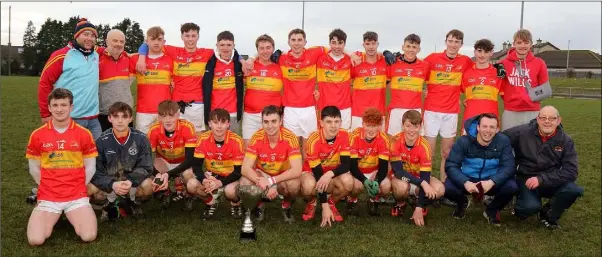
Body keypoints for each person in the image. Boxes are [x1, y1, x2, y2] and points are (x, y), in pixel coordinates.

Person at [25, 88, 98, 246]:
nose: (59, 109)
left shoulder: (84, 134)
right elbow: (34, 168)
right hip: (49, 196)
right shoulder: (37, 135)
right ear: (49, 108)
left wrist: (77, 187)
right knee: (35, 240)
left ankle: (69, 212)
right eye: (55, 105)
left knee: (88, 235)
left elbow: (90, 166)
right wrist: (48, 186)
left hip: (76, 196)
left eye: (64, 105)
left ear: (71, 107)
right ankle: (52, 213)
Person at [503, 106, 583, 229]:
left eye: (552, 118)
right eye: (543, 118)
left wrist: (542, 179)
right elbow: (499, 139)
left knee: (574, 190)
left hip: (551, 179)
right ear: (538, 119)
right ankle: (520, 204)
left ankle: (549, 214)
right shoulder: (522, 132)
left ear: (558, 120)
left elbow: (571, 171)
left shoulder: (566, 140)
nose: (547, 121)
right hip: (526, 178)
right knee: (528, 208)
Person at [422, 29, 473, 206]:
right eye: (450, 41)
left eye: (457, 42)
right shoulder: (431, 59)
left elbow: (477, 72)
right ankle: (425, 187)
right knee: (428, 152)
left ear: (461, 44)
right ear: (446, 42)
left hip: (451, 113)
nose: (453, 44)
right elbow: (416, 71)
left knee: (446, 153)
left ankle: (444, 189)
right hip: (431, 112)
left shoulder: (466, 61)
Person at [136, 22, 215, 133]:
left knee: (196, 138)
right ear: (182, 36)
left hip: (197, 103)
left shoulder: (207, 53)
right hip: (177, 103)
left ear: (198, 36)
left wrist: (241, 59)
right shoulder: (172, 51)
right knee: (177, 137)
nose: (190, 39)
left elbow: (226, 52)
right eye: (187, 36)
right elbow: (147, 43)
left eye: (193, 36)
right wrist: (142, 56)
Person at [445, 113, 517, 226]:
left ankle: (492, 210)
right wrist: (465, 182)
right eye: (484, 126)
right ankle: (462, 203)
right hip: (468, 178)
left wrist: (492, 181)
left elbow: (509, 167)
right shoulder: (463, 141)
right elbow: (451, 165)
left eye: (492, 127)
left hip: (491, 179)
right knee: (448, 188)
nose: (487, 130)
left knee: (511, 187)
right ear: (478, 127)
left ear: (497, 129)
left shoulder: (503, 141)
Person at [88, 102, 154, 221]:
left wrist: (130, 181)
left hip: (131, 182)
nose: (120, 120)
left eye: (124, 116)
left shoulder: (141, 138)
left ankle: (134, 202)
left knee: (149, 185)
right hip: (110, 184)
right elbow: (96, 171)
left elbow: (146, 166)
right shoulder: (101, 141)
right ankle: (109, 203)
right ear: (109, 118)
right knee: (88, 189)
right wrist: (112, 183)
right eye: (116, 116)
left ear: (130, 119)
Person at [38, 18, 102, 139]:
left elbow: (115, 48)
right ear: (77, 35)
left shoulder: (96, 53)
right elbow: (44, 83)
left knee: (96, 156)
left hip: (93, 119)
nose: (90, 38)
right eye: (86, 34)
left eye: (93, 35)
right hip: (70, 118)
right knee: (70, 156)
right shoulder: (61, 55)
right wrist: (46, 114)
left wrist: (142, 52)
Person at [240, 105, 303, 223]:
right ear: (262, 122)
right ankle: (259, 205)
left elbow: (297, 169)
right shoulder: (256, 137)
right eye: (266, 122)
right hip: (262, 174)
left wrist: (271, 181)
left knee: (294, 184)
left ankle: (286, 205)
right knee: (244, 182)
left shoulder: (290, 138)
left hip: (281, 175)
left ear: (281, 121)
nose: (270, 126)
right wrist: (262, 182)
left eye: (274, 121)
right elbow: (245, 168)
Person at [300, 106, 354, 227]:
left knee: (349, 182)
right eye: (329, 122)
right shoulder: (313, 140)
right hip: (313, 173)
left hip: (331, 173)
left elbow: (346, 165)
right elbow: (318, 173)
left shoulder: (344, 135)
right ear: (321, 123)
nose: (333, 126)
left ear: (341, 122)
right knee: (308, 187)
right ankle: (312, 202)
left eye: (336, 121)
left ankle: (332, 202)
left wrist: (329, 174)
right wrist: (322, 205)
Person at [186, 108, 244, 220]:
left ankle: (236, 204)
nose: (219, 126)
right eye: (215, 122)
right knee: (191, 185)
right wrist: (203, 179)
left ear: (228, 124)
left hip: (231, 177)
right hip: (212, 176)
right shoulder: (203, 138)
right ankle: (211, 202)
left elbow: (238, 172)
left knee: (230, 191)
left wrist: (220, 183)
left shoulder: (236, 141)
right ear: (209, 124)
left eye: (223, 122)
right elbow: (197, 165)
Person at [390, 110, 445, 226]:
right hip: (401, 178)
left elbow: (425, 176)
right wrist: (423, 184)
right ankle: (401, 203)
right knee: (401, 188)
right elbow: (398, 172)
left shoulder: (424, 146)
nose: (411, 130)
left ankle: (419, 203)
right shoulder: (395, 141)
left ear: (420, 127)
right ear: (402, 125)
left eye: (415, 126)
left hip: (418, 178)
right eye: (408, 126)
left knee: (440, 189)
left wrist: (419, 208)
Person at [147, 100, 198, 209]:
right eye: (164, 116)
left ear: (178, 114)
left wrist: (168, 174)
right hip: (165, 161)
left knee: (188, 175)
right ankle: (166, 192)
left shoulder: (187, 127)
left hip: (184, 161)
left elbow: (190, 159)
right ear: (159, 117)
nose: (168, 120)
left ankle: (188, 195)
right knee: (153, 167)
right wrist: (158, 174)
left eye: (171, 116)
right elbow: (147, 159)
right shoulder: (154, 130)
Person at [499, 29, 551, 131]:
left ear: (531, 44)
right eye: (519, 43)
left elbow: (545, 89)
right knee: (509, 144)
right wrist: (513, 99)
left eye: (526, 42)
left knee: (531, 144)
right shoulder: (502, 64)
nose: (523, 46)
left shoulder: (539, 63)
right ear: (513, 44)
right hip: (511, 111)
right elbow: (500, 89)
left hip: (532, 111)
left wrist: (528, 98)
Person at [129, 26, 173, 134]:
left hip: (165, 111)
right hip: (143, 112)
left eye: (159, 39)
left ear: (164, 41)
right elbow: (125, 83)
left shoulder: (171, 60)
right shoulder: (136, 60)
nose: (156, 43)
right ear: (146, 41)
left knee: (164, 146)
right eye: (152, 39)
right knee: (143, 144)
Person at [347, 108, 391, 216]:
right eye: (368, 125)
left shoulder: (383, 139)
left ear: (380, 126)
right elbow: (352, 166)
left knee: (385, 186)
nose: (371, 130)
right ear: (362, 124)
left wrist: (376, 180)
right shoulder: (355, 136)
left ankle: (373, 200)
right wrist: (364, 180)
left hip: (374, 171)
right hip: (357, 171)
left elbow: (384, 166)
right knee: (357, 186)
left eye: (374, 126)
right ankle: (352, 200)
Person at [242, 34, 284, 145]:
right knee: (249, 149)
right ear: (257, 50)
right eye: (261, 48)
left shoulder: (280, 67)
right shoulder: (249, 66)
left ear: (273, 48)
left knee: (270, 149)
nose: (265, 51)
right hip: (250, 116)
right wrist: (251, 58)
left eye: (268, 48)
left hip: (272, 117)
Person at [202, 31, 246, 136]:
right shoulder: (209, 62)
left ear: (234, 46)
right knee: (214, 147)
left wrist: (243, 60)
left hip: (233, 114)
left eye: (229, 45)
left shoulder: (239, 64)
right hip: (214, 113)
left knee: (233, 145)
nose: (225, 48)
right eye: (222, 45)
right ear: (217, 45)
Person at [386, 33, 430, 136]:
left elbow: (430, 82)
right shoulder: (393, 63)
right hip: (396, 110)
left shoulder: (425, 65)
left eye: (414, 47)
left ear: (419, 49)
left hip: (415, 109)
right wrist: (385, 52)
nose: (411, 50)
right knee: (394, 142)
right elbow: (385, 85)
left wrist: (427, 90)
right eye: (408, 46)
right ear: (403, 47)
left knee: (414, 142)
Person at [461, 39, 503, 131]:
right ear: (475, 52)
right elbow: (454, 91)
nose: (482, 55)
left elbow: (507, 96)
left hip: (491, 120)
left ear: (491, 53)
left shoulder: (499, 73)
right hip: (470, 119)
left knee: (490, 145)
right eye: (479, 51)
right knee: (468, 145)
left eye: (486, 52)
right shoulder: (466, 73)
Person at [315, 29, 353, 131]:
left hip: (345, 108)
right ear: (329, 43)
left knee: (344, 139)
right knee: (325, 139)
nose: (336, 46)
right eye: (333, 43)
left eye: (340, 43)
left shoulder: (350, 60)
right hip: (325, 107)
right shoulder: (320, 59)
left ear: (345, 44)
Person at [349, 31, 387, 131]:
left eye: (373, 43)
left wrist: (386, 52)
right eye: (368, 43)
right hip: (358, 113)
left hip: (378, 112)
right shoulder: (356, 61)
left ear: (377, 44)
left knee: (379, 143)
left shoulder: (384, 62)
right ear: (363, 45)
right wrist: (351, 54)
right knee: (356, 143)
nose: (371, 47)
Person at [98, 29, 134, 132]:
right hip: (105, 114)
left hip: (126, 113)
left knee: (127, 145)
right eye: (115, 41)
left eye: (121, 42)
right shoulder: (96, 60)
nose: (118, 44)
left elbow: (148, 48)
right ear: (106, 41)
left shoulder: (130, 59)